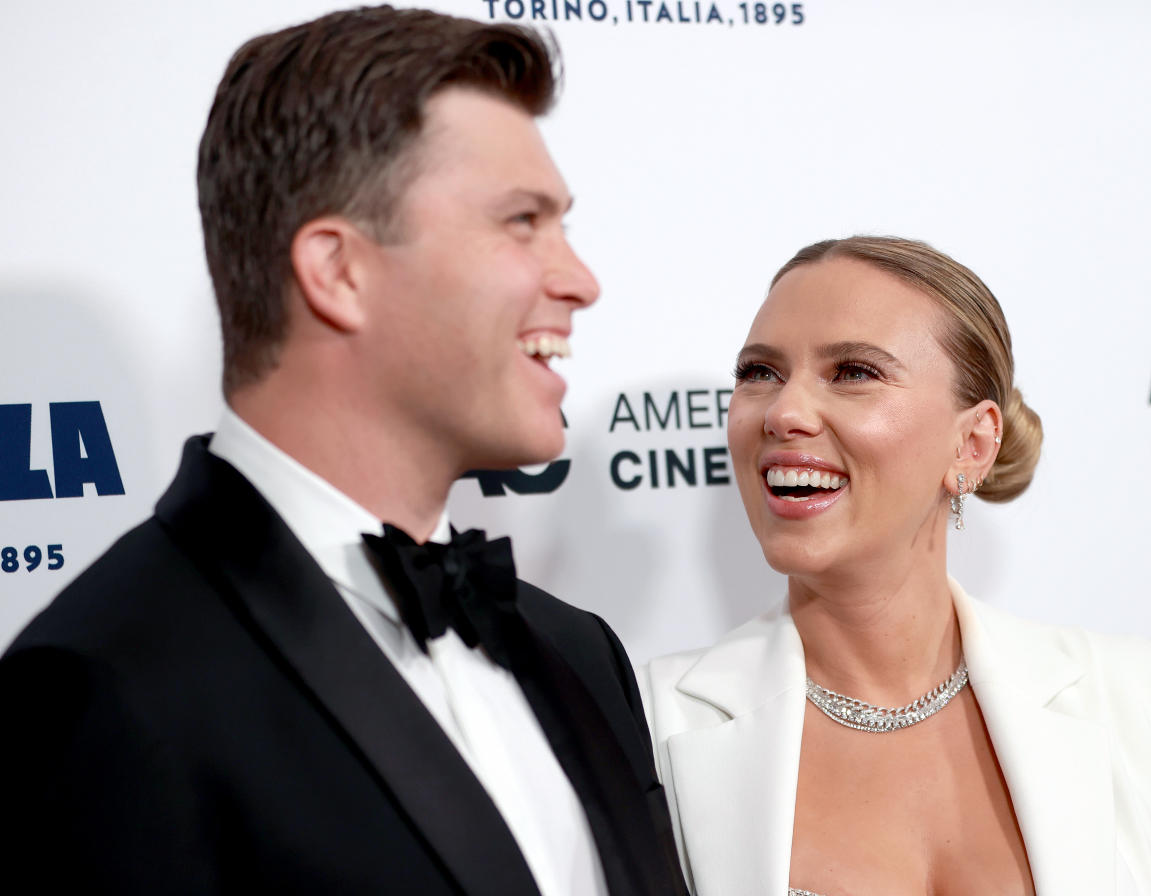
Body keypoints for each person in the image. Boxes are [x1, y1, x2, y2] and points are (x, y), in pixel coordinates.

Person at [0, 7, 685, 895]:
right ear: (338, 271)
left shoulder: (579, 653)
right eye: (523, 221)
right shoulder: (106, 690)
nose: (581, 280)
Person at [640, 236, 1151, 895]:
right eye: (759, 373)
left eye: (853, 372)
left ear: (972, 445)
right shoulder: (651, 723)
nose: (784, 412)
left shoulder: (1133, 695)